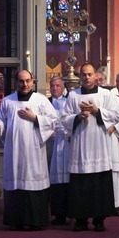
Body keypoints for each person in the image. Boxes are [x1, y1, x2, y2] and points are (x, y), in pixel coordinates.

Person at [0, 70, 57, 231]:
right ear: (16, 83)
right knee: (16, 183)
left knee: (33, 182)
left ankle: (36, 221)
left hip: (34, 150)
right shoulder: (8, 101)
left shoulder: (41, 101)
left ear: (33, 82)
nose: (25, 84)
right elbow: (1, 119)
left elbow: (54, 121)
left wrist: (35, 118)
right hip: (14, 150)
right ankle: (16, 221)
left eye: (28, 81)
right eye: (21, 81)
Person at [61, 63, 119, 232]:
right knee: (81, 186)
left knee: (99, 185)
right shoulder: (73, 96)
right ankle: (81, 221)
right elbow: (63, 119)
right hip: (80, 147)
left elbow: (116, 115)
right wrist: (77, 117)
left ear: (96, 75)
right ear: (80, 77)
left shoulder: (106, 94)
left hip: (100, 146)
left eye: (89, 74)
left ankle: (99, 220)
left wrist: (97, 111)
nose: (86, 77)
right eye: (83, 74)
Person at [95, 70, 119, 217]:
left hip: (112, 139)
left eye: (100, 79)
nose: (98, 82)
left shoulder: (113, 97)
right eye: (96, 80)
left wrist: (114, 127)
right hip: (98, 141)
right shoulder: (95, 98)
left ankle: (115, 204)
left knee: (113, 173)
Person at [48, 76, 69, 225]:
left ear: (63, 87)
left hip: (66, 144)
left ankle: (68, 212)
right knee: (52, 180)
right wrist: (48, 132)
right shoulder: (45, 102)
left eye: (57, 85)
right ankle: (56, 213)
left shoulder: (69, 102)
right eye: (52, 85)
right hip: (49, 146)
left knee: (66, 179)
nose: (54, 88)